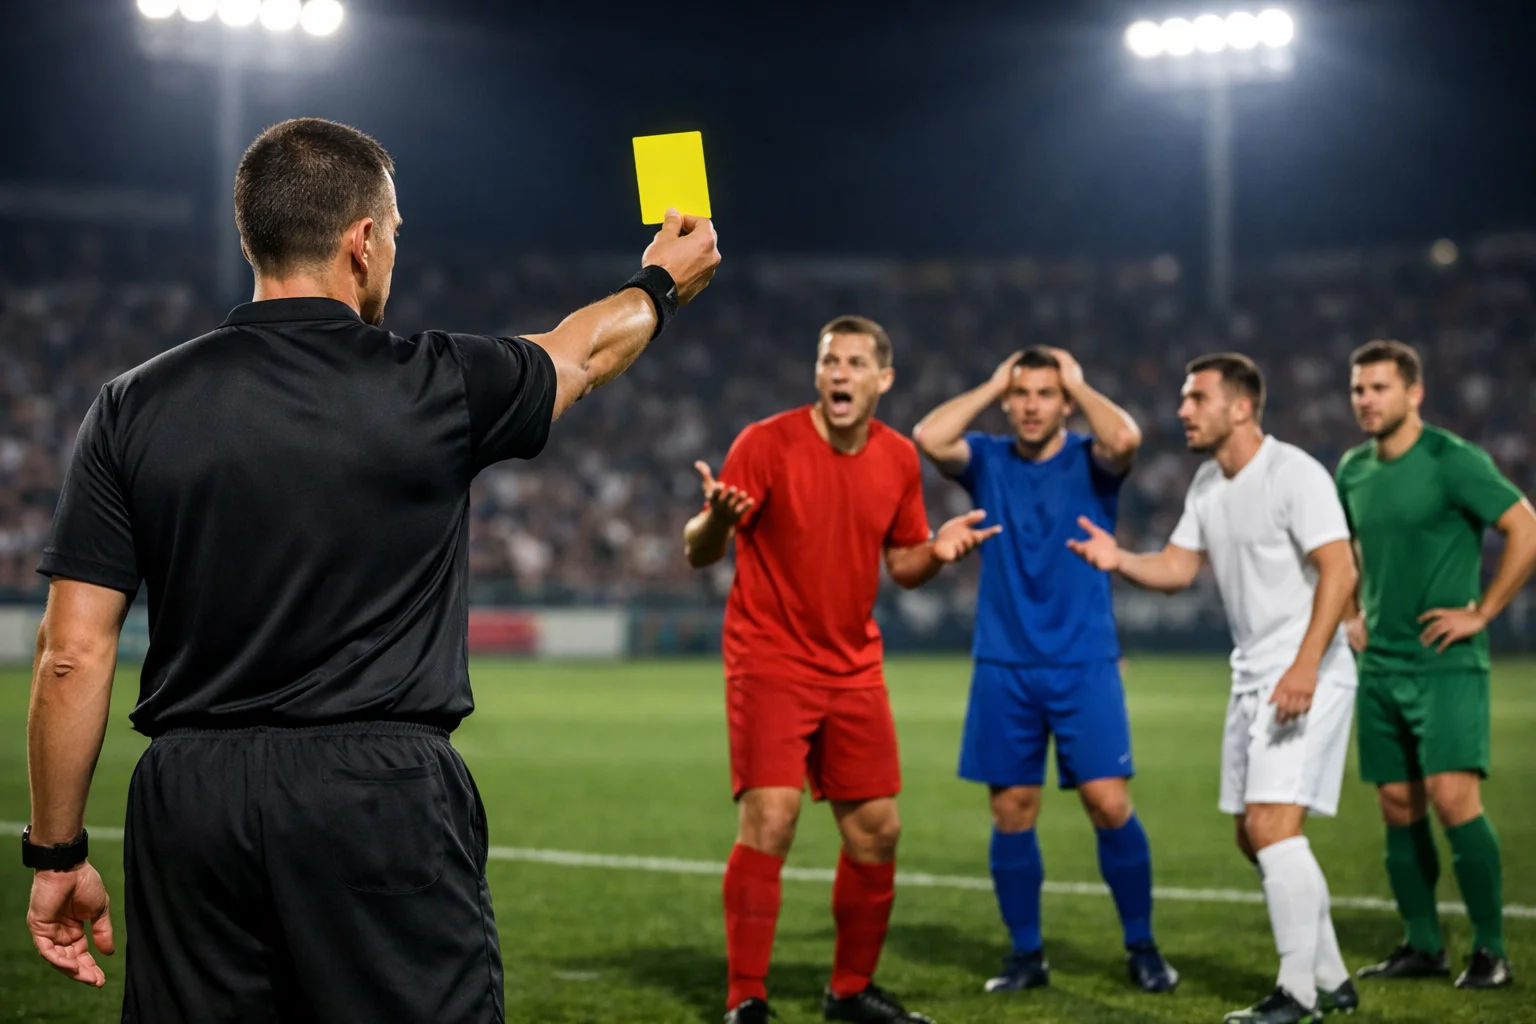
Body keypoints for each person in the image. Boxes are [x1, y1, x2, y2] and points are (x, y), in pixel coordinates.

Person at [22, 117, 720, 1022]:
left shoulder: (129, 405)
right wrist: (661, 284)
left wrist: (57, 855)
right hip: (378, 790)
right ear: (360, 242)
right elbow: (583, 349)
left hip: (189, 800)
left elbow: (72, 655)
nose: (393, 250)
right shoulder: (435, 383)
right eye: (392, 232)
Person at [684, 315, 999, 1024]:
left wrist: (939, 552)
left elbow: (904, 564)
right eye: (830, 361)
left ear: (883, 380)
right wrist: (719, 523)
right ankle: (747, 1000)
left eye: (856, 363)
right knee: (772, 816)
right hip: (769, 658)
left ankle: (850, 992)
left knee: (878, 830)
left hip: (853, 665)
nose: (839, 374)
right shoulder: (763, 444)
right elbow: (698, 551)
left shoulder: (896, 458)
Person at [1069, 353, 1360, 1023]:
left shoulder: (1295, 474)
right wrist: (1119, 560)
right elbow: (1177, 566)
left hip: (1303, 669)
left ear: (1241, 407)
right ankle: (1331, 976)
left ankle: (1296, 994)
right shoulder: (1208, 481)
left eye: (1197, 398)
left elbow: (1339, 570)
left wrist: (1306, 666)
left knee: (1271, 825)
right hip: (1253, 670)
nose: (1183, 410)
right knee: (1251, 834)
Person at [912, 346, 1177, 995]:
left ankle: (1142, 945)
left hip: (1084, 660)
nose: (1032, 405)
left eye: (1044, 394)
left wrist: (1078, 382)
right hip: (1003, 662)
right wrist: (993, 379)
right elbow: (927, 435)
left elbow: (1127, 437)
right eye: (1021, 394)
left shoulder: (1092, 459)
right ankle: (1026, 955)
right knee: (1012, 810)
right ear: (1008, 400)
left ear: (1064, 403)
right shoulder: (988, 459)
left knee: (1108, 803)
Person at [1337, 339, 1536, 991]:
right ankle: (1424, 944)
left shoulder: (1453, 462)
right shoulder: (1351, 470)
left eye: (1379, 388)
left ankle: (1490, 950)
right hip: (1382, 666)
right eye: (1359, 389)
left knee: (1454, 799)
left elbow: (1525, 527)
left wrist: (1483, 611)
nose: (1366, 400)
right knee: (1397, 802)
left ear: (1414, 394)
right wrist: (1349, 614)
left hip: (1447, 662)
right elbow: (1344, 554)